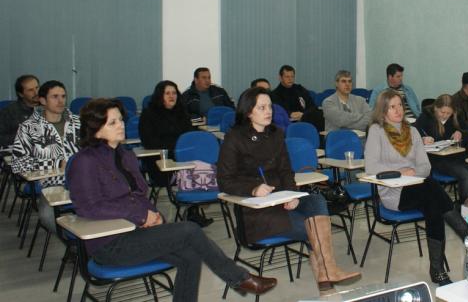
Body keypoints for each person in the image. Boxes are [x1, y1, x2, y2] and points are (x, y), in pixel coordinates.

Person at [68, 98, 276, 302]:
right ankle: (239, 278)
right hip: (110, 244)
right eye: (112, 122)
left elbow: (139, 195)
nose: (121, 125)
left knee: (190, 256)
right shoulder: (84, 161)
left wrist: (155, 217)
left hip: (138, 233)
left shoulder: (125, 155)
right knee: (190, 229)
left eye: (121, 120)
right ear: (96, 128)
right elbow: (90, 207)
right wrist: (140, 216)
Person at [217, 87, 360, 294]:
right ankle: (327, 275)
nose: (269, 112)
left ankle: (326, 273)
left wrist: (292, 195)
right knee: (311, 228)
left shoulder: (276, 134)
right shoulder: (234, 138)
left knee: (316, 201)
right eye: (262, 107)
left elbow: (286, 171)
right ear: (248, 112)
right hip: (256, 211)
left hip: (282, 200)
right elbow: (224, 181)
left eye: (270, 107)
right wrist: (253, 188)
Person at [364, 89, 468, 286]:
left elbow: (425, 166)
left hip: (419, 187)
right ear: (383, 110)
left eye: (400, 106)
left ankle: (437, 270)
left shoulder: (412, 131)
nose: (398, 111)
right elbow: (371, 167)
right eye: (392, 107)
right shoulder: (376, 131)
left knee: (433, 205)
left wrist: (413, 173)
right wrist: (401, 171)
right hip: (393, 193)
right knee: (432, 190)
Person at [139, 80, 211, 227]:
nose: (172, 96)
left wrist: (183, 147)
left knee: (196, 166)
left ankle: (193, 210)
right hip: (160, 161)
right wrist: (178, 146)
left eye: (174, 93)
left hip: (182, 158)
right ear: (160, 96)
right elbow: (149, 142)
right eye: (167, 93)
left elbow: (189, 137)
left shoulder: (182, 113)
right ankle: (192, 212)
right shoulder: (149, 114)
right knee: (188, 170)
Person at [11, 80, 79, 187]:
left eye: (63, 96)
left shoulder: (79, 122)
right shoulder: (28, 127)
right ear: (43, 100)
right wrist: (57, 163)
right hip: (50, 184)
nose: (61, 101)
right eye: (55, 97)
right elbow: (18, 164)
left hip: (82, 178)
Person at [414, 94, 468, 204]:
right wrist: (423, 139)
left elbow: (467, 133)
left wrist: (460, 133)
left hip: (456, 158)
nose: (444, 116)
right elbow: (413, 136)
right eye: (442, 112)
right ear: (435, 108)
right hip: (436, 160)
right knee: (465, 176)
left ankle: (467, 202)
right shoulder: (425, 117)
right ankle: (465, 207)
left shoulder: (456, 117)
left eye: (448, 113)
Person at [270, 65, 324, 131]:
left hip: (306, 119)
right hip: (288, 122)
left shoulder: (300, 89)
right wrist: (290, 114)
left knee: (319, 113)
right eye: (287, 77)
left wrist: (304, 114)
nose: (290, 79)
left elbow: (312, 106)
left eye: (292, 77)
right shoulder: (275, 94)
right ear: (280, 78)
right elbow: (278, 110)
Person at [0, 74, 39, 148]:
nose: (36, 93)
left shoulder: (48, 107)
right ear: (21, 94)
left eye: (37, 88)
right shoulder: (9, 112)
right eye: (30, 90)